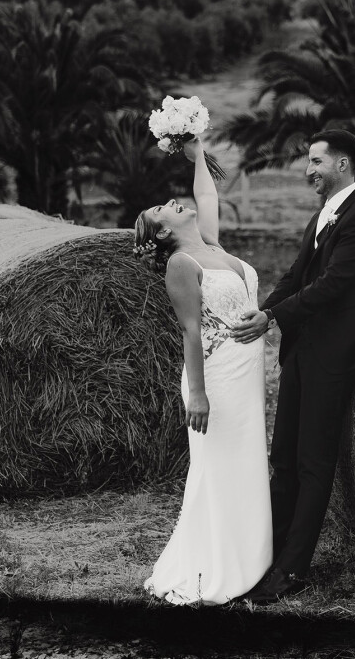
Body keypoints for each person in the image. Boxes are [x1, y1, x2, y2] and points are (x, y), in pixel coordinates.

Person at [230, 128, 355, 604]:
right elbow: (298, 276)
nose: (308, 170)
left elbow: (335, 285)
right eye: (308, 162)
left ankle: (293, 570)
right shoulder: (322, 216)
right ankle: (268, 556)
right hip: (303, 347)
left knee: (314, 462)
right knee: (283, 459)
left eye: (316, 162)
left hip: (336, 351)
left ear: (342, 164)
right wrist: (263, 310)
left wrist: (275, 316)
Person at [133, 134, 272, 605]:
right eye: (161, 209)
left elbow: (206, 193)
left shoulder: (211, 244)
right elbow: (191, 333)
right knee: (219, 468)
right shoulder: (180, 263)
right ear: (164, 232)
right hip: (215, 380)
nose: (172, 203)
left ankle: (254, 560)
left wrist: (198, 149)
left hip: (246, 374)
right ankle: (216, 566)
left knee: (247, 462)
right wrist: (197, 395)